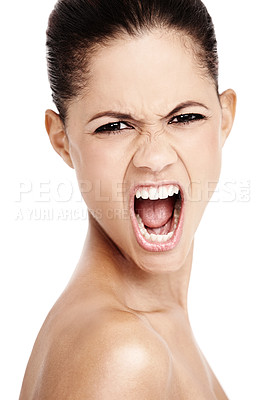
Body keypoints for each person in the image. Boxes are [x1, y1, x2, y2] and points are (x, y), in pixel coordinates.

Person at [19, 0, 236, 398]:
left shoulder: (147, 326)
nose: (155, 158)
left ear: (225, 118)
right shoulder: (121, 352)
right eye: (114, 126)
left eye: (184, 117)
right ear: (61, 140)